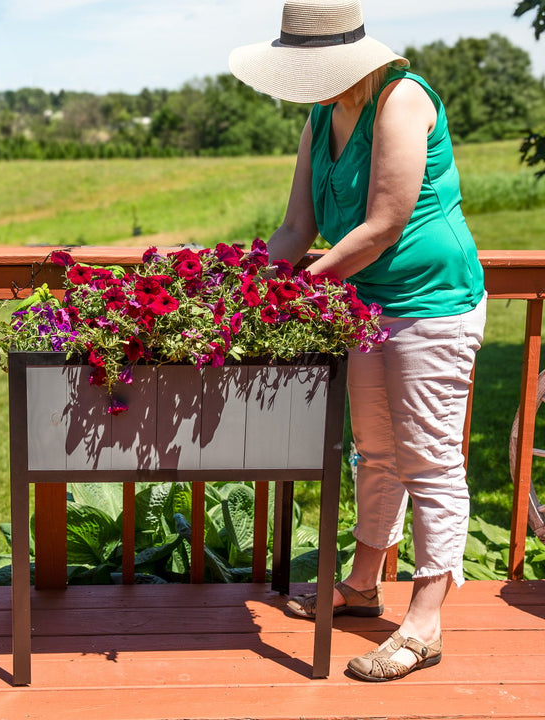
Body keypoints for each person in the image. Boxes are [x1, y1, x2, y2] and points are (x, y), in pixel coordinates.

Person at [229, 0, 487, 682]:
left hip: (432, 304)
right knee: (374, 450)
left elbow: (385, 224)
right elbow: (293, 229)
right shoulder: (321, 118)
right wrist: (243, 288)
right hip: (364, 306)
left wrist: (295, 292)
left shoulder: (401, 101)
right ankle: (362, 587)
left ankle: (425, 623)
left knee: (428, 459)